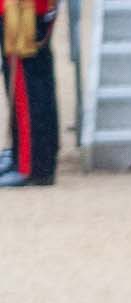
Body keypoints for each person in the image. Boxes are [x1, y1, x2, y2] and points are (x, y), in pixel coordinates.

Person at [2, 0, 59, 188]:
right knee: (28, 84)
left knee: (27, 89)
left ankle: (32, 166)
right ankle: (24, 157)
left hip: (25, 7)